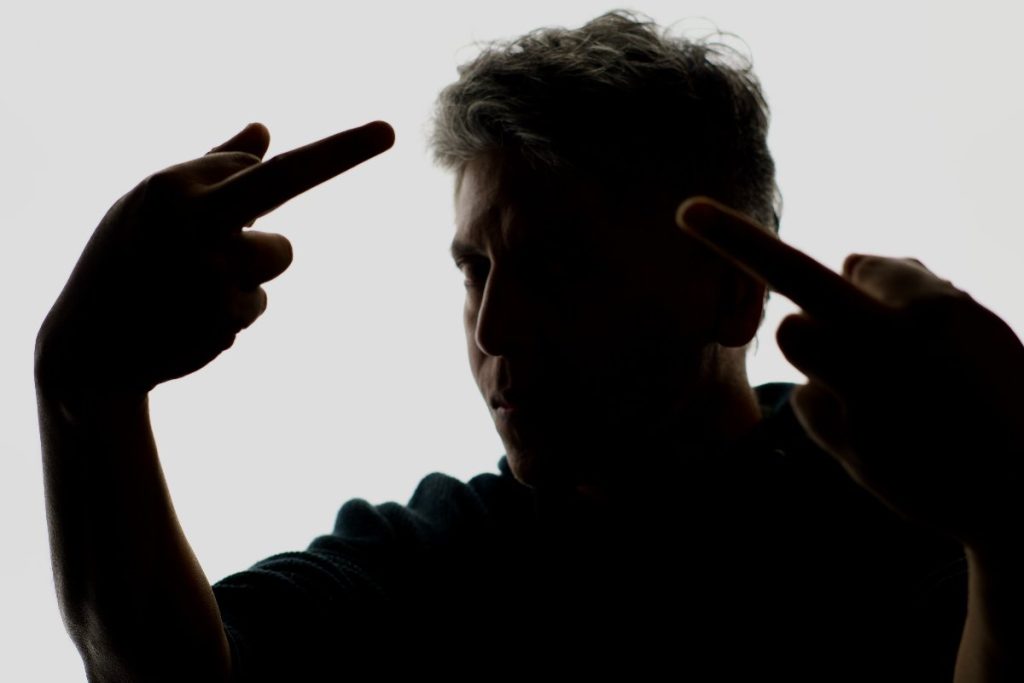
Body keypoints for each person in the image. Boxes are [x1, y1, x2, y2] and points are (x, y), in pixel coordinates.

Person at [35, 11, 1021, 682]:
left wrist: (1009, 524)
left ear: (731, 296)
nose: (494, 329)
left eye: (562, 270)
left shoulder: (899, 498)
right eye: (474, 269)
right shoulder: (444, 556)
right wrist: (85, 393)